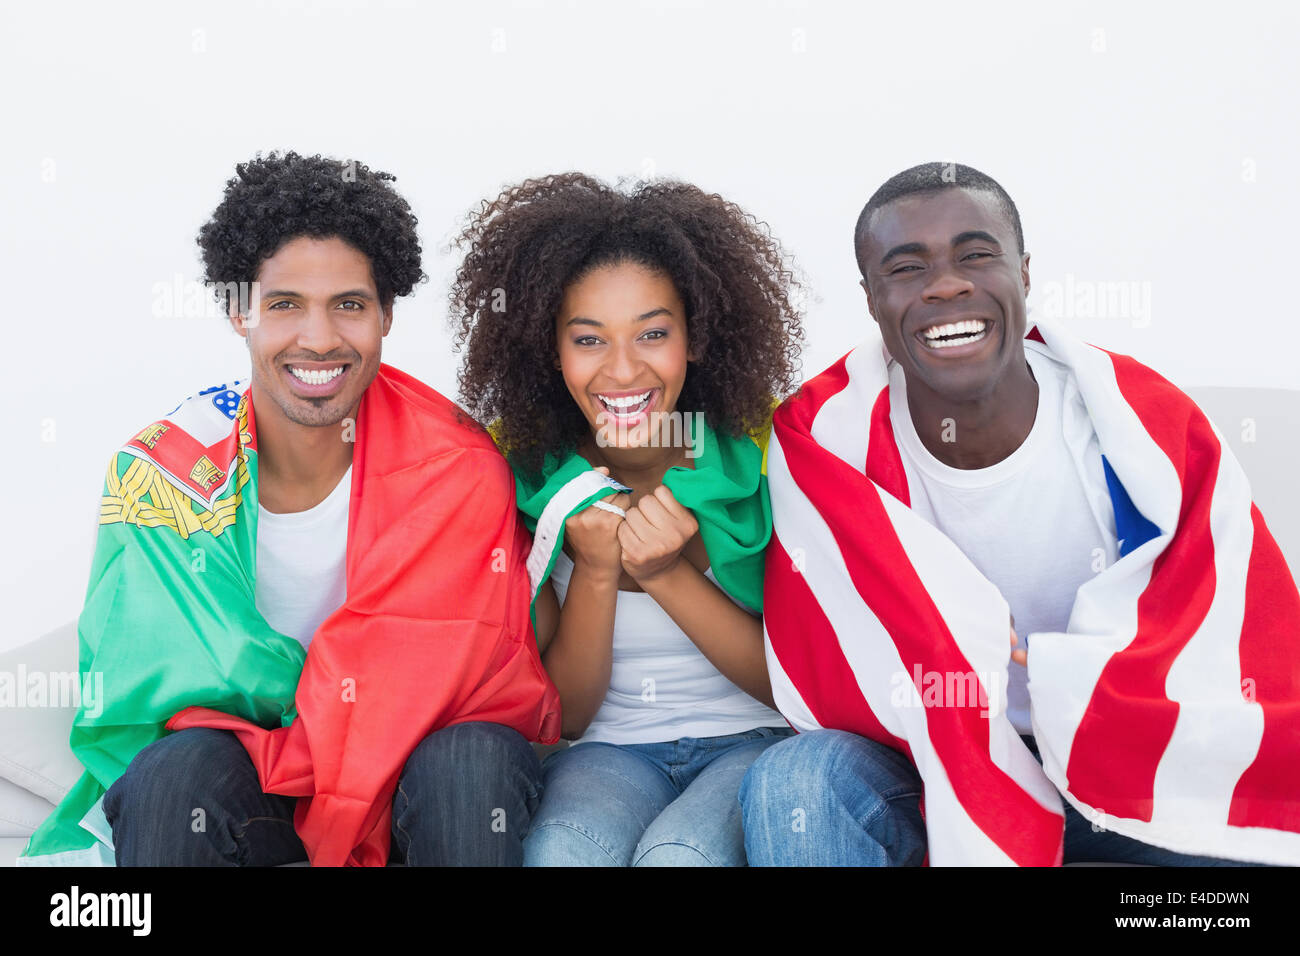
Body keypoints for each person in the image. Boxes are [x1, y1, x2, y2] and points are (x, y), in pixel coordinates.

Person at [741, 162, 1300, 867]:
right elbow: (825, 653)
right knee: (798, 781)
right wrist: (956, 638)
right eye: (907, 268)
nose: (946, 284)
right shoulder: (826, 442)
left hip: (1128, 752)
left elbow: (1229, 630)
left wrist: (1054, 670)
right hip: (933, 767)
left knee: (1249, 819)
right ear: (872, 299)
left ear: (1025, 275)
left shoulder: (1140, 430)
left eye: (976, 255)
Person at [19, 152, 560, 867]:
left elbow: (453, 678)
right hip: (253, 768)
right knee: (173, 778)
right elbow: (151, 681)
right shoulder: (161, 477)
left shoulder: (458, 468)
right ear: (240, 310)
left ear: (386, 314)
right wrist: (308, 726)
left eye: (349, 304)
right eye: (284, 305)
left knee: (468, 764)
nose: (319, 338)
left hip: (418, 764)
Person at [450, 172, 804, 866]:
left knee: (679, 857)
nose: (621, 370)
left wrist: (667, 574)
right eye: (588, 340)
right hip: (605, 752)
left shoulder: (767, 452)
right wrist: (596, 572)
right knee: (560, 854)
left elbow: (794, 684)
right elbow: (568, 716)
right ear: (549, 351)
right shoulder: (517, 474)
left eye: (652, 334)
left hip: (756, 740)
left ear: (695, 339)